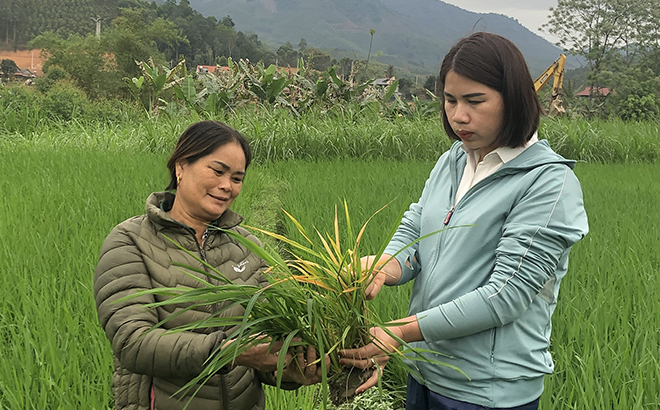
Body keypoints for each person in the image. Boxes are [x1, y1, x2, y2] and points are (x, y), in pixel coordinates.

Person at [339, 32, 589, 410]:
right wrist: (383, 267)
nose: (458, 115)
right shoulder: (454, 159)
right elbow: (417, 229)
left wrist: (398, 332)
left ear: (514, 99)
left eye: (475, 101)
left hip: (486, 390)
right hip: (424, 370)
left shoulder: (548, 183)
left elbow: (506, 295)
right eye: (450, 100)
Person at [94, 120, 324, 410]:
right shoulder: (130, 241)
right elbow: (132, 342)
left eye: (237, 178)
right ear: (181, 167)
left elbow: (268, 341)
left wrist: (291, 369)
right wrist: (230, 352)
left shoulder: (247, 245)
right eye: (217, 171)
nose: (226, 186)